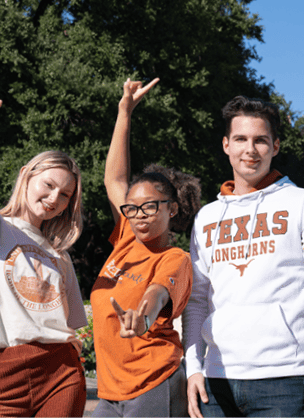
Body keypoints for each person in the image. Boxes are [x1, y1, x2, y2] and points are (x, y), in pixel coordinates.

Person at [183, 95, 304, 417]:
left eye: (260, 140)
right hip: (216, 379)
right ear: (226, 145)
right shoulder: (207, 216)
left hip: (283, 379)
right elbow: (197, 299)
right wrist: (193, 367)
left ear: (275, 146)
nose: (250, 149)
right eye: (241, 139)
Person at [0, 95, 88, 417]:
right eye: (48, 184)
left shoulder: (59, 254)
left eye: (65, 195)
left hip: (60, 372)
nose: (54, 198)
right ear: (26, 174)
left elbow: (70, 323)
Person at [91, 78, 201, 417]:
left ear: (172, 209)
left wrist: (144, 318)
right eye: (133, 207)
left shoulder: (175, 259)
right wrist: (124, 111)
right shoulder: (125, 237)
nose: (140, 215)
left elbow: (157, 294)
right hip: (111, 390)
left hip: (153, 382)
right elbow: (114, 179)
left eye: (151, 206)